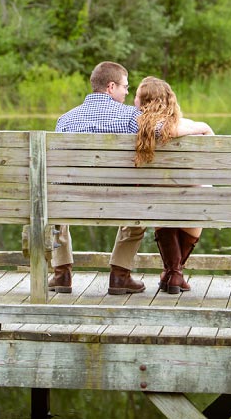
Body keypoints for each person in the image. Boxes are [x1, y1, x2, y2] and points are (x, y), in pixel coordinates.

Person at [50, 61, 147, 296]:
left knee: (54, 205)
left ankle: (62, 273)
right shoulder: (133, 117)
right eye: (124, 86)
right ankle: (119, 275)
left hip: (71, 202)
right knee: (139, 211)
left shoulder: (65, 120)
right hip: (120, 201)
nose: (126, 91)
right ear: (111, 87)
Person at [134, 76, 214, 294]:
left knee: (162, 199)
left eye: (137, 96)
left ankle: (173, 273)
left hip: (154, 199)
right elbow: (211, 144)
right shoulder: (188, 126)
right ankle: (175, 275)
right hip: (192, 198)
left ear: (144, 102)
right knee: (197, 194)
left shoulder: (135, 125)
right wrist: (204, 126)